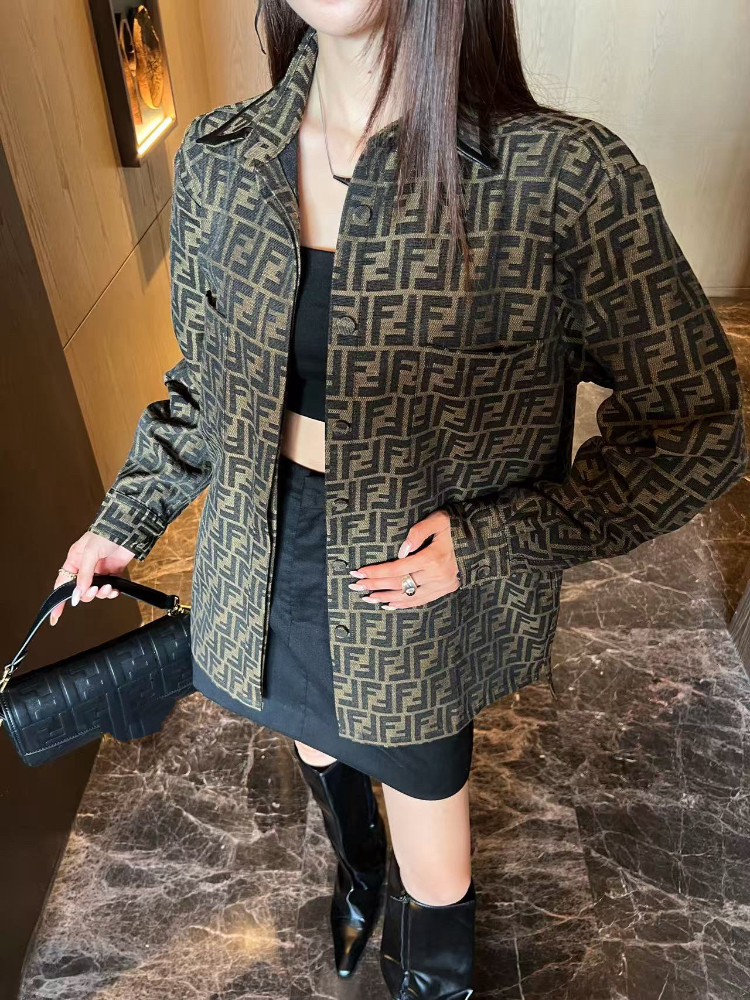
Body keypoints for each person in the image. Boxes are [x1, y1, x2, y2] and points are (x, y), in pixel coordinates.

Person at [50, 1, 747, 995]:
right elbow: (206, 385)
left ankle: (431, 963)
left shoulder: (556, 179)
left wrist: (503, 539)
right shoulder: (223, 158)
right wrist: (124, 520)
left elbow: (698, 420)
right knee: (309, 735)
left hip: (410, 573)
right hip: (264, 546)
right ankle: (357, 867)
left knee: (429, 815)